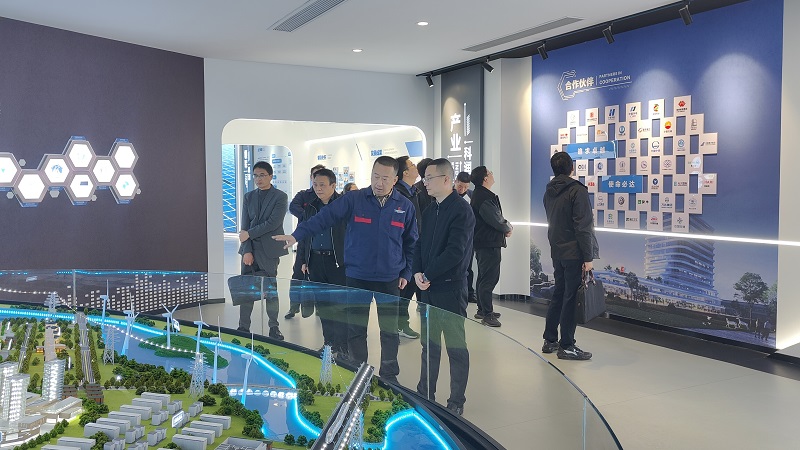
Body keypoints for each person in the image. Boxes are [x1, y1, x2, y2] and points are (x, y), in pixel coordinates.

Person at [273, 156, 417, 382]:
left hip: (389, 279)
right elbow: (323, 218)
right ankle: (359, 374)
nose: (379, 183)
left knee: (389, 331)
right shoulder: (354, 200)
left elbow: (411, 242)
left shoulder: (405, 206)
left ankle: (390, 376)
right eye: (375, 176)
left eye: (385, 178)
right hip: (357, 276)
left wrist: (406, 272)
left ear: (395, 180)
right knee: (356, 330)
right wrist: (296, 235)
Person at [413, 158, 474, 416]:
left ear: (446, 180)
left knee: (455, 347)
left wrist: (428, 273)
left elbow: (455, 252)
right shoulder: (430, 210)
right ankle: (425, 394)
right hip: (427, 288)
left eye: (429, 178)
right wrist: (417, 271)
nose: (425, 183)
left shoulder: (462, 211)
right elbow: (419, 244)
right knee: (429, 345)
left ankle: (456, 400)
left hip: (450, 289)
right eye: (424, 178)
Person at [541, 151, 598, 360]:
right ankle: (567, 345)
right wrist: (588, 258)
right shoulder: (577, 191)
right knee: (571, 297)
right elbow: (583, 227)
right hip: (574, 252)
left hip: (557, 250)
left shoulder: (549, 192)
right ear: (571, 168)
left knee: (559, 293)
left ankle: (550, 340)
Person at [296, 168, 347, 354]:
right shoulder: (310, 207)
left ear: (333, 185)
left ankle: (342, 346)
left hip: (338, 263)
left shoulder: (344, 205)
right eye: (315, 184)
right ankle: (329, 344)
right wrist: (303, 259)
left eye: (322, 185)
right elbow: (304, 234)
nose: (318, 188)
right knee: (323, 305)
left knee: (339, 306)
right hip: (316, 261)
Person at [238, 161, 288, 340]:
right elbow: (244, 227)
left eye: (262, 175)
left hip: (269, 250)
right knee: (246, 291)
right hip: (250, 250)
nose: (258, 179)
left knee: (270, 291)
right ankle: (243, 327)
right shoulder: (248, 197)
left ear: (270, 176)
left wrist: (249, 234)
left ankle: (274, 327)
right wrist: (246, 250)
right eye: (255, 176)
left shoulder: (280, 197)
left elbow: (273, 223)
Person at [470, 166, 512, 327]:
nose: (492, 174)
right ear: (485, 178)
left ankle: (482, 309)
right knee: (489, 279)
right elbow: (495, 219)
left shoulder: (479, 194)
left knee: (483, 277)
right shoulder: (484, 197)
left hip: (484, 242)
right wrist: (507, 227)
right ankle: (487, 314)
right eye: (490, 173)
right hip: (488, 243)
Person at [286, 164, 327, 319]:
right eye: (315, 176)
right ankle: (293, 307)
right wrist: (310, 217)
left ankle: (319, 307)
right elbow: (293, 207)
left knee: (319, 277)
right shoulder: (304, 195)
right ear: (311, 177)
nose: (318, 183)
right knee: (297, 274)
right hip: (304, 239)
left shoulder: (329, 198)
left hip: (321, 241)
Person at [394, 156, 421, 340]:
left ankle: (400, 324)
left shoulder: (414, 191)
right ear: (405, 172)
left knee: (408, 289)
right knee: (402, 290)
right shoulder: (399, 194)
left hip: (414, 247)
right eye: (412, 165)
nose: (415, 166)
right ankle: (399, 325)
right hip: (402, 250)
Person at [455, 171, 476, 303]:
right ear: (455, 182)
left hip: (468, 238)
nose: (462, 189)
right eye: (460, 186)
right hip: (454, 236)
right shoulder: (449, 195)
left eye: (466, 187)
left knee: (468, 266)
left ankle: (469, 293)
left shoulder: (472, 196)